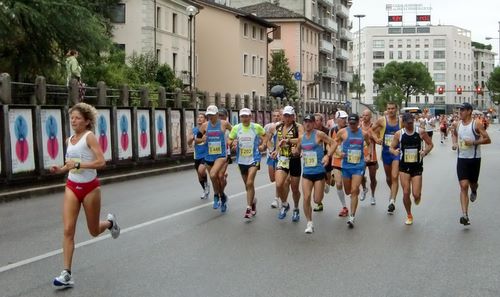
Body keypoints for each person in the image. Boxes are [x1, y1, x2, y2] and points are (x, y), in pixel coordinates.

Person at [50, 103, 120, 289]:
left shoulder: (90, 137)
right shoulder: (69, 139)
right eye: (72, 117)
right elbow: (69, 164)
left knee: (94, 231)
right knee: (68, 230)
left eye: (78, 118)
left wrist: (79, 165)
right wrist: (61, 169)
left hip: (90, 188)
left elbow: (101, 162)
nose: (73, 121)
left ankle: (110, 223)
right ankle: (67, 273)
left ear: (87, 121)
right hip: (72, 186)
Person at [389, 113, 433, 225]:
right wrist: (394, 152)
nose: (410, 125)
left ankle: (417, 196)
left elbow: (430, 144)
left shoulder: (421, 132)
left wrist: (425, 152)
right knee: (405, 192)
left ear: (413, 121)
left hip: (417, 166)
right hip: (404, 167)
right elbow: (391, 147)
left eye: (411, 122)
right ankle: (409, 214)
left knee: (416, 194)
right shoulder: (399, 134)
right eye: (407, 123)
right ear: (403, 123)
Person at [451, 102, 491, 226]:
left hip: (474, 159)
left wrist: (473, 143)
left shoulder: (476, 124)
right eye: (459, 110)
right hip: (462, 159)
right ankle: (465, 215)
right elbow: (454, 133)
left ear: (469, 111)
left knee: (473, 184)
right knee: (463, 186)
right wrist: (455, 143)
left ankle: (474, 190)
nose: (460, 112)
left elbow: (488, 139)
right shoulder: (457, 124)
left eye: (462, 110)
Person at [330, 113, 371, 228]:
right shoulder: (342, 132)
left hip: (358, 165)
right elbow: (334, 143)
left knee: (354, 190)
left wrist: (369, 154)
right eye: (350, 123)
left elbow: (369, 144)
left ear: (358, 123)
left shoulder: (363, 134)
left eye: (354, 123)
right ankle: (351, 211)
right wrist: (338, 153)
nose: (352, 126)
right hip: (346, 166)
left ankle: (352, 216)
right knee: (347, 191)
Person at [297, 114, 336, 233]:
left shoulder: (319, 134)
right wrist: (295, 151)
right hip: (307, 172)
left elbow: (333, 143)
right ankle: (309, 223)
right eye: (305, 122)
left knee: (317, 200)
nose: (307, 124)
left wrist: (327, 156)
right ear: (303, 123)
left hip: (319, 171)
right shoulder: (301, 137)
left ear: (314, 123)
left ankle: (325, 183)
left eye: (310, 122)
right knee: (306, 198)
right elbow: (298, 150)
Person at [228, 108, 267, 221]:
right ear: (240, 118)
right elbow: (229, 140)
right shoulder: (236, 128)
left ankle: (248, 208)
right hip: (241, 160)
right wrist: (232, 144)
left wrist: (263, 145)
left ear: (250, 117)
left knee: (250, 182)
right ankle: (253, 201)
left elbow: (265, 136)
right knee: (247, 185)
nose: (245, 118)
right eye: (242, 116)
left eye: (246, 116)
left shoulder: (256, 127)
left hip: (254, 158)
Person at [271, 105, 303, 222]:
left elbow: (302, 139)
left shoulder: (298, 127)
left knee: (294, 189)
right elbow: (279, 141)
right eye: (285, 115)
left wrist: (296, 147)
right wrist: (276, 150)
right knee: (279, 184)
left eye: (289, 116)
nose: (287, 118)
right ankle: (285, 204)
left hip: (294, 159)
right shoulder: (279, 126)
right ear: (282, 116)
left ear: (293, 116)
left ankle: (296, 208)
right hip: (283, 158)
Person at [198, 105, 232, 212]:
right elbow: (196, 139)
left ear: (217, 115)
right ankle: (222, 196)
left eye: (212, 115)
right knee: (214, 179)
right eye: (208, 115)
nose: (210, 117)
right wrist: (201, 139)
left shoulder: (224, 123)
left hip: (221, 155)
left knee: (214, 174)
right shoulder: (204, 126)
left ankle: (216, 195)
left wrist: (233, 141)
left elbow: (235, 131)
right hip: (209, 155)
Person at [372, 102, 401, 214]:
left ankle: (392, 201)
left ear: (396, 109)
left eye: (393, 108)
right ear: (386, 109)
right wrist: (376, 138)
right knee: (389, 178)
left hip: (397, 152)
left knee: (394, 177)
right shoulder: (382, 120)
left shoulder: (401, 121)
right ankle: (392, 192)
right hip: (385, 153)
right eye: (389, 108)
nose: (391, 110)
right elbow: (371, 130)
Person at [330, 110, 349, 217]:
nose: (344, 120)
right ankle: (344, 207)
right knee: (338, 184)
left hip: (348, 161)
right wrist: (335, 153)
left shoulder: (350, 129)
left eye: (345, 118)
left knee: (348, 190)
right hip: (336, 160)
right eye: (342, 118)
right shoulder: (332, 130)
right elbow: (329, 144)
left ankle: (362, 180)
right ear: (337, 119)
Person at [313, 113, 334, 210]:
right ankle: (319, 203)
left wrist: (328, 154)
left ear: (322, 121)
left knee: (327, 178)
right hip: (315, 159)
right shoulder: (310, 131)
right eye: (314, 120)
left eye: (318, 120)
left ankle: (329, 180)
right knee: (317, 180)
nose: (315, 122)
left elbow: (331, 143)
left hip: (326, 156)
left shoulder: (326, 131)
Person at [188, 113, 210, 199]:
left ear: (205, 120)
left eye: (202, 117)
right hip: (197, 155)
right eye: (198, 117)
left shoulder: (208, 129)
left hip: (206, 154)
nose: (199, 119)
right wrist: (190, 139)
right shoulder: (194, 130)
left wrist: (196, 139)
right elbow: (189, 143)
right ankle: (205, 189)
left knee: (201, 170)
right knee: (200, 177)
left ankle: (207, 186)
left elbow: (206, 140)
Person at [264, 109, 282, 208]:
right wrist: (271, 150)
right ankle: (280, 191)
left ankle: (277, 198)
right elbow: (266, 140)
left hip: (281, 156)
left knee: (279, 179)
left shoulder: (283, 126)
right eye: (274, 115)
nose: (276, 117)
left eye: (278, 115)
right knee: (272, 178)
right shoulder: (268, 127)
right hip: (271, 155)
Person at [360, 109, 378, 205]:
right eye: (363, 115)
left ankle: (373, 195)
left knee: (373, 177)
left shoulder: (374, 127)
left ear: (370, 117)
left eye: (366, 115)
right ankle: (364, 188)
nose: (364, 117)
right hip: (361, 155)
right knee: (360, 176)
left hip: (372, 156)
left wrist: (375, 138)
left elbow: (378, 138)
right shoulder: (358, 126)